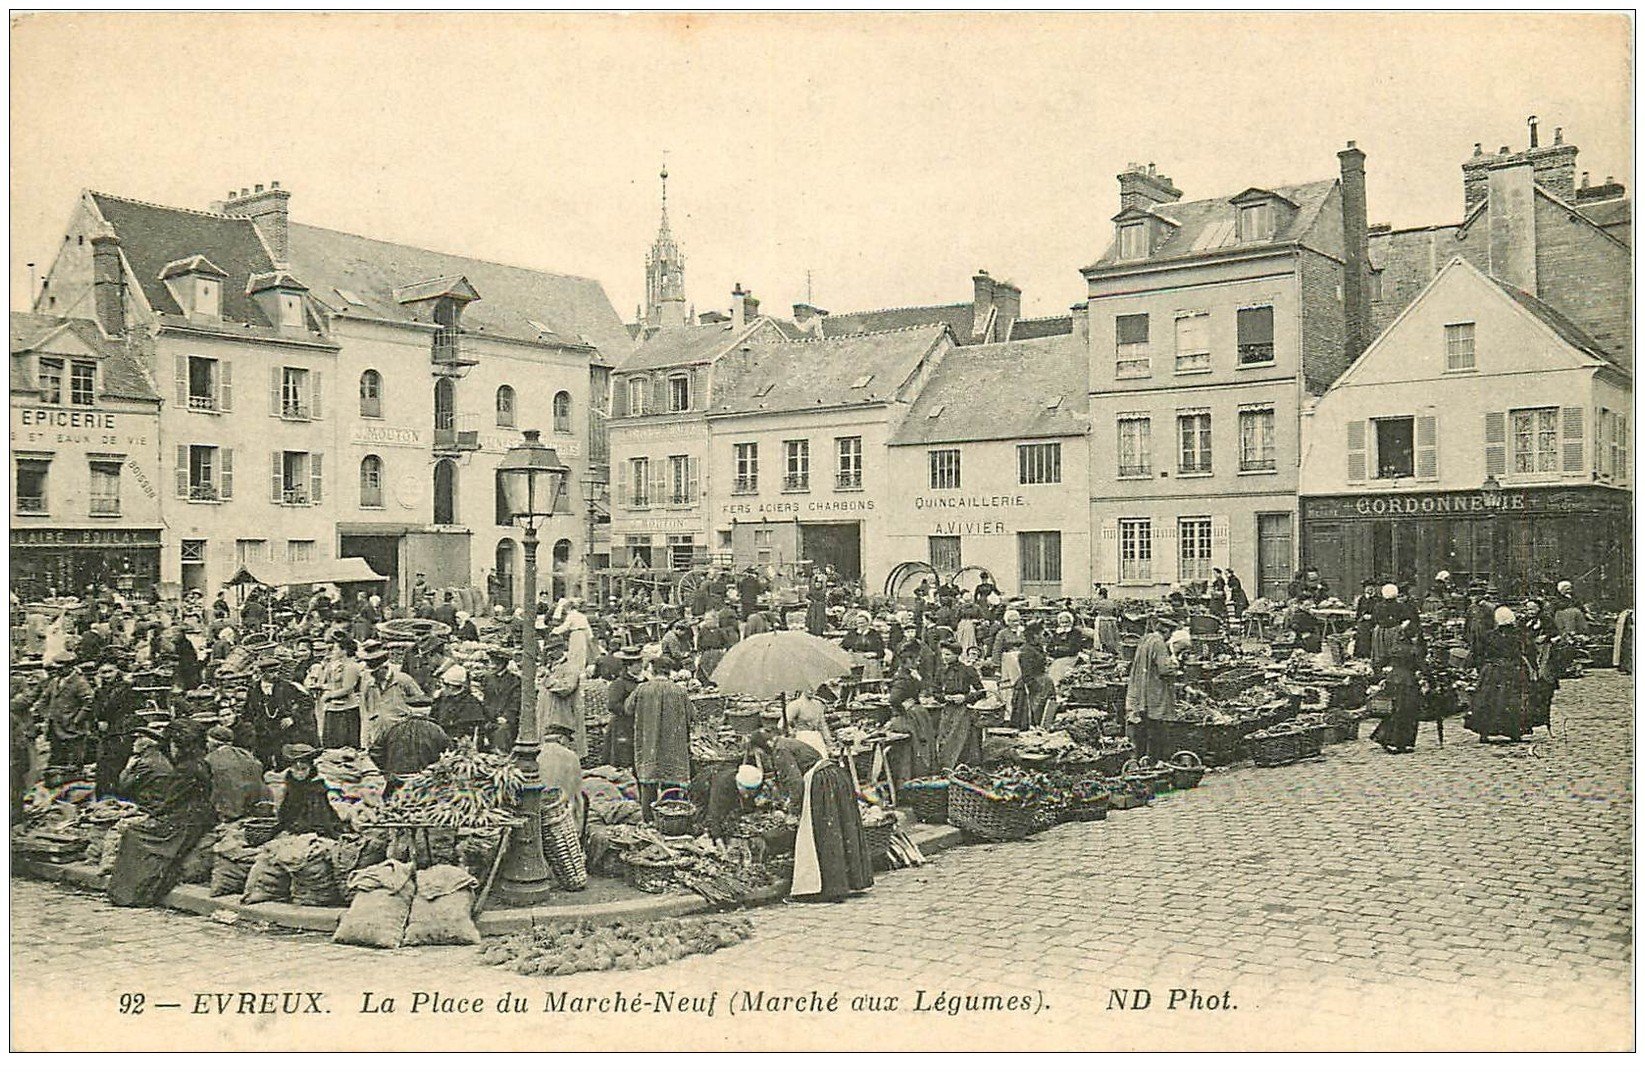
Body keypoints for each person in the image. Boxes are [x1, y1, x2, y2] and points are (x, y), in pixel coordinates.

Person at [106, 722, 216, 907]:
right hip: (197, 816)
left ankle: (132, 893)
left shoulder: (185, 769)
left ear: (178, 745)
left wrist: (154, 814)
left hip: (184, 820)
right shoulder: (199, 763)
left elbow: (171, 801)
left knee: (134, 835)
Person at [787, 734, 874, 903]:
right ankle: (850, 881)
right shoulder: (795, 742)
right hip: (833, 774)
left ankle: (828, 887)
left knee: (822, 834)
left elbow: (794, 781)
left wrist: (793, 810)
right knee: (842, 829)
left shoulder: (780, 749)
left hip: (820, 781)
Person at [627, 657, 692, 821]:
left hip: (648, 745)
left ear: (653, 671)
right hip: (673, 747)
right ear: (669, 672)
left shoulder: (642, 689)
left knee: (648, 785)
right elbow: (693, 715)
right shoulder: (679, 691)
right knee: (672, 785)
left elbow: (628, 708)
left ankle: (648, 820)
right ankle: (672, 820)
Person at [1466, 607, 1533, 743]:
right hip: (1512, 669)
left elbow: (1478, 652)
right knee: (1512, 700)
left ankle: (1485, 731)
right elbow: (1529, 650)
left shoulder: (1488, 635)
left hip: (1492, 670)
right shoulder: (1519, 635)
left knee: (1488, 699)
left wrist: (1479, 668)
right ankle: (1514, 731)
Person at [240, 655, 316, 770]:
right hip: (263, 732)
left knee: (284, 761)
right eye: (271, 672)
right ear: (261, 673)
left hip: (283, 731)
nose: (275, 675)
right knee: (263, 762)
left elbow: (307, 702)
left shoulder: (286, 686)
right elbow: (247, 711)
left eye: (276, 671)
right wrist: (250, 727)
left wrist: (293, 718)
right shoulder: (253, 689)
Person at [1126, 617, 1180, 761]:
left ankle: (1142, 758)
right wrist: (1175, 664)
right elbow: (1164, 669)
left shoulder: (1146, 639)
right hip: (1153, 689)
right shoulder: (1158, 643)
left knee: (1143, 726)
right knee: (1156, 726)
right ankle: (1156, 759)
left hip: (1141, 687)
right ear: (1167, 631)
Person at [373, 695, 452, 789]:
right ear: (429, 709)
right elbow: (448, 754)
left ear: (409, 708)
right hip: (424, 781)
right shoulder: (437, 730)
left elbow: (375, 752)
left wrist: (388, 769)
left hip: (395, 780)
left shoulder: (393, 728)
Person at [1370, 621, 1424, 754]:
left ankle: (1386, 737)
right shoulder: (1413, 650)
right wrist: (1428, 679)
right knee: (1408, 713)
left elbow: (1378, 662)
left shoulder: (1394, 647)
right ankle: (1400, 742)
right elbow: (1422, 666)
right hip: (1408, 683)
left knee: (1394, 711)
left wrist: (1382, 676)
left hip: (1393, 681)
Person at [361, 641, 425, 752]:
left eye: (375, 672)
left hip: (401, 733)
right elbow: (365, 712)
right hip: (378, 734)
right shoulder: (369, 685)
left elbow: (422, 704)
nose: (372, 676)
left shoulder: (403, 680)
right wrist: (365, 740)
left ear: (384, 669)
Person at [90, 659, 141, 798]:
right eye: (102, 673)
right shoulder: (100, 690)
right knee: (104, 767)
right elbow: (96, 710)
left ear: (117, 671)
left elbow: (109, 707)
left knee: (117, 765)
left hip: (121, 731)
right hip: (107, 733)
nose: (106, 676)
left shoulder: (124, 688)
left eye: (109, 672)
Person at [932, 641, 984, 769]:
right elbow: (935, 692)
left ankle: (960, 766)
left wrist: (965, 698)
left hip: (963, 710)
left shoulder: (967, 670)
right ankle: (945, 766)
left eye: (948, 655)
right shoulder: (941, 671)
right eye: (943, 654)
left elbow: (981, 691)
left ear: (957, 655)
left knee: (960, 740)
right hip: (947, 709)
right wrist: (944, 697)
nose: (944, 657)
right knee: (944, 738)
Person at [35, 658, 94, 768]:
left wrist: (77, 720)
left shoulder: (80, 682)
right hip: (55, 726)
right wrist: (46, 715)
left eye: (60, 669)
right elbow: (44, 699)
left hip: (73, 727)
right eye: (56, 669)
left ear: (69, 667)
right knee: (56, 757)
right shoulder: (54, 681)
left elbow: (89, 703)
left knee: (74, 757)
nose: (57, 671)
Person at [274, 743, 343, 836]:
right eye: (296, 768)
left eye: (303, 769)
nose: (300, 773)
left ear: (310, 768)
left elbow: (319, 820)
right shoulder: (290, 784)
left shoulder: (316, 788)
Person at [203, 724, 266, 821]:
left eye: (207, 741)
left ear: (213, 743)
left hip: (227, 811)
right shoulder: (245, 754)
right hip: (252, 807)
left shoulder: (211, 758)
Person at [537, 641, 587, 759]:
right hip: (548, 710)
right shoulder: (550, 667)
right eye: (548, 650)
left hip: (563, 711)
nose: (550, 653)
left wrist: (548, 680)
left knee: (564, 743)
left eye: (553, 650)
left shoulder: (570, 667)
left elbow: (567, 688)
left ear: (560, 649)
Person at [537, 722, 587, 839]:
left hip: (539, 808)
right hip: (559, 814)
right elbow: (576, 793)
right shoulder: (570, 756)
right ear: (562, 739)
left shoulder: (535, 753)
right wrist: (578, 827)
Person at [317, 633, 364, 749]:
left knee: (345, 744)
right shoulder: (333, 665)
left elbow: (347, 688)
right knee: (331, 744)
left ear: (344, 651)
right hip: (333, 708)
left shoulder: (352, 666)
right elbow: (329, 683)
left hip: (346, 709)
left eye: (335, 649)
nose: (332, 651)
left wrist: (328, 696)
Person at [433, 664, 487, 746]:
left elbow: (467, 730)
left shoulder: (470, 703)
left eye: (443, 685)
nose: (441, 689)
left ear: (451, 687)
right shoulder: (442, 699)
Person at [481, 648, 522, 753]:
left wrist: (506, 717)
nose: (492, 666)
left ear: (503, 664)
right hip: (489, 717)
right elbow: (486, 699)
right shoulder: (487, 678)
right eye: (492, 662)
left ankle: (501, 755)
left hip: (506, 720)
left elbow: (515, 702)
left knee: (502, 731)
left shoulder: (514, 680)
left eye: (496, 663)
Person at [784, 689, 835, 754]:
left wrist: (829, 741)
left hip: (817, 737)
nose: (811, 692)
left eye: (813, 689)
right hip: (803, 737)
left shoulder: (818, 704)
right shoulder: (795, 705)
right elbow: (783, 723)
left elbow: (822, 725)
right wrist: (792, 733)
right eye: (808, 689)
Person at [1353, 580, 1378, 661]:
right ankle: (1360, 655)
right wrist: (1357, 621)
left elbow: (1379, 611)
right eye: (1368, 588)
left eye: (1372, 588)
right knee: (1361, 637)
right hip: (1363, 622)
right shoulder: (1362, 599)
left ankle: (1370, 655)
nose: (1370, 590)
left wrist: (1372, 617)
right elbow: (1358, 612)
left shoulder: (1377, 599)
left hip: (1373, 622)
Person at [806, 570, 830, 637]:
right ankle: (812, 629)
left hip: (821, 606)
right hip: (813, 606)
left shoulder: (823, 591)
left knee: (820, 618)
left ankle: (820, 630)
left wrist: (824, 601)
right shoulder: (812, 591)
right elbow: (808, 595)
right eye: (817, 584)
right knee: (813, 617)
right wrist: (812, 600)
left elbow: (825, 598)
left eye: (819, 584)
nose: (818, 585)